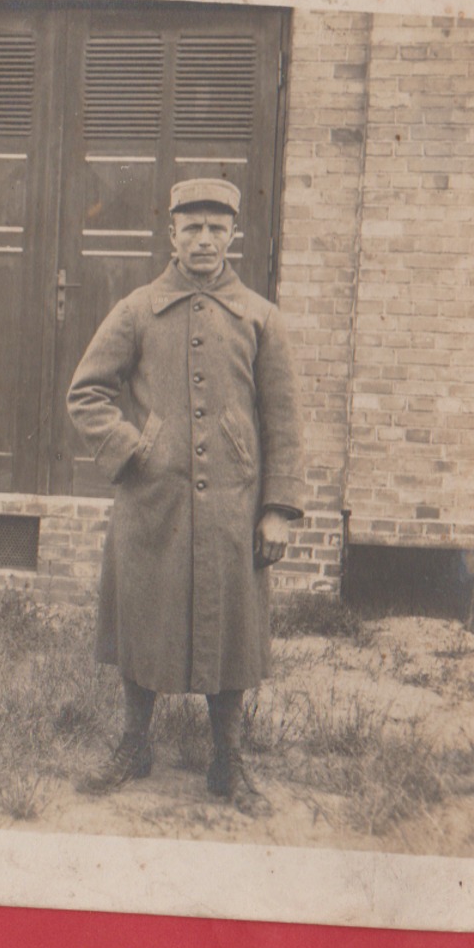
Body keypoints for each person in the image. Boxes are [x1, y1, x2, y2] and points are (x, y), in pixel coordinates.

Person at [67, 178, 305, 813]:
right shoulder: (138, 309)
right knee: (143, 623)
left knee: (232, 631)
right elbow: (86, 392)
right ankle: (133, 745)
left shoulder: (260, 317)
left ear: (234, 236)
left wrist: (277, 507)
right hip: (154, 505)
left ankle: (229, 760)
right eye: (191, 227)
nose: (204, 239)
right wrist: (135, 448)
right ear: (170, 233)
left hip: (234, 504)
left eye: (216, 227)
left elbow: (283, 420)